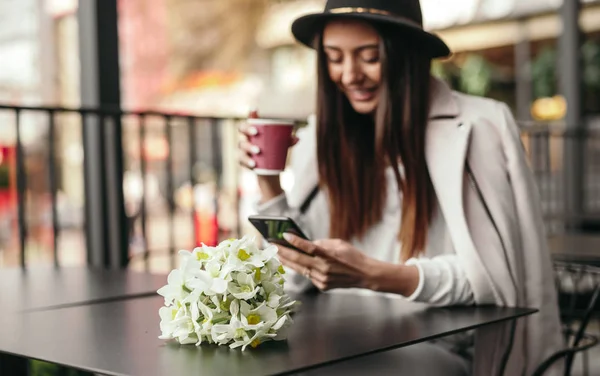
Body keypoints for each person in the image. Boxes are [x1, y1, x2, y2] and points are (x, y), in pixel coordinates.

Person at [239, 1, 563, 375]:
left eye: (369, 56)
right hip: (344, 338)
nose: (349, 74)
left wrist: (373, 275)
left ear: (407, 54)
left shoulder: (479, 126)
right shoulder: (321, 139)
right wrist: (267, 182)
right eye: (334, 58)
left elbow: (493, 277)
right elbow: (295, 275)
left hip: (445, 344)